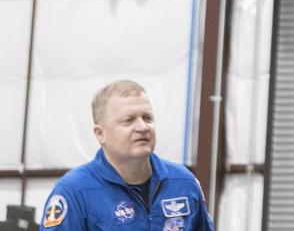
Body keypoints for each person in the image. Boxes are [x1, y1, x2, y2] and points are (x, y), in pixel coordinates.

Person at [41, 81, 213, 231]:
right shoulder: (75, 192)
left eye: (147, 118)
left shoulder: (183, 182)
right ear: (100, 134)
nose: (142, 127)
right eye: (128, 120)